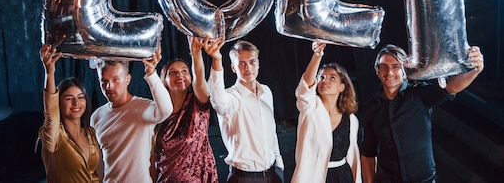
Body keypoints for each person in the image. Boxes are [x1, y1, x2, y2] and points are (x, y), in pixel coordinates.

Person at [360, 44, 484, 183]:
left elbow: (450, 88)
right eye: (384, 66)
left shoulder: (418, 95)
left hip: (423, 179)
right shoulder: (370, 108)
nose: (389, 72)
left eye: (395, 66)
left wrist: (475, 71)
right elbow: (368, 153)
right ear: (377, 70)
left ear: (404, 69)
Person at [90, 46, 173, 183]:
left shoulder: (144, 108)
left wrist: (151, 73)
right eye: (103, 81)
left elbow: (166, 110)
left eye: (115, 79)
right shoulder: (97, 117)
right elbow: (99, 161)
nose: (108, 87)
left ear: (127, 79)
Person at [208, 39, 285, 182]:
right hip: (243, 177)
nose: (248, 67)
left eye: (252, 61)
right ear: (233, 68)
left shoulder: (266, 91)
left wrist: (279, 164)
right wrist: (217, 60)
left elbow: (271, 130)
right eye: (241, 64)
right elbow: (217, 101)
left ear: (258, 63)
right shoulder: (230, 97)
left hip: (272, 174)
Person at [151, 36, 219, 182]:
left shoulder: (197, 104)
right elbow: (153, 160)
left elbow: (200, 82)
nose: (179, 75)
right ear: (165, 81)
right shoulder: (158, 113)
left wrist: (195, 53)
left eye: (184, 71)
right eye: (173, 73)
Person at [292, 41, 361, 183]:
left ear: (342, 87)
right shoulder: (309, 108)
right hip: (313, 177)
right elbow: (305, 87)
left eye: (332, 78)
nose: (325, 81)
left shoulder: (351, 119)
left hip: (343, 176)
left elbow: (353, 155)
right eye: (321, 77)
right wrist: (317, 55)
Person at [37, 44, 102, 183]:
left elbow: (96, 175)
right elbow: (51, 115)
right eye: (68, 98)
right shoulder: (54, 136)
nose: (76, 103)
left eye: (80, 97)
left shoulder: (90, 134)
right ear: (58, 104)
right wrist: (49, 73)